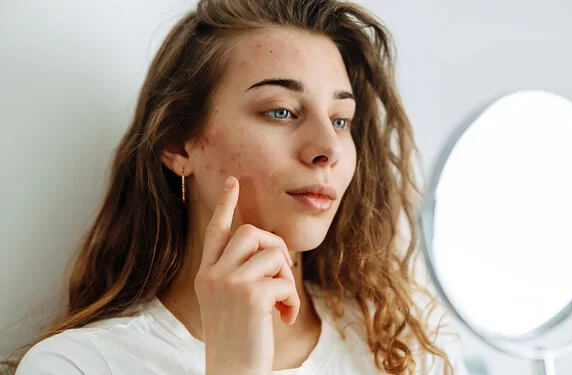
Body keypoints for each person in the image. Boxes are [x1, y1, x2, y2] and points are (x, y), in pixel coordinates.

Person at [4, 0, 468, 374]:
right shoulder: (79, 366)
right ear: (178, 144)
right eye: (281, 111)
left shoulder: (409, 346)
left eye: (341, 119)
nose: (327, 147)